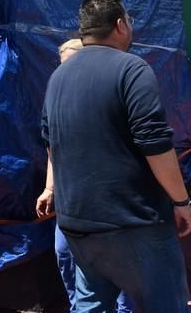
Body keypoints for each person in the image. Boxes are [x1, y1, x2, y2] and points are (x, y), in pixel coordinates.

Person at [36, 0, 191, 312]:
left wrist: (52, 189)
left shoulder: (57, 78)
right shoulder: (132, 70)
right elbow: (155, 144)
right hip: (133, 222)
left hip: (79, 226)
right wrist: (181, 201)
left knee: (90, 305)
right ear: (120, 25)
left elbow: (51, 142)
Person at [49, 38, 134, 313]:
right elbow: (52, 150)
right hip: (69, 201)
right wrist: (49, 188)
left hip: (108, 202)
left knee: (119, 265)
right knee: (65, 256)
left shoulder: (107, 95)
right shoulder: (55, 98)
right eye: (62, 67)